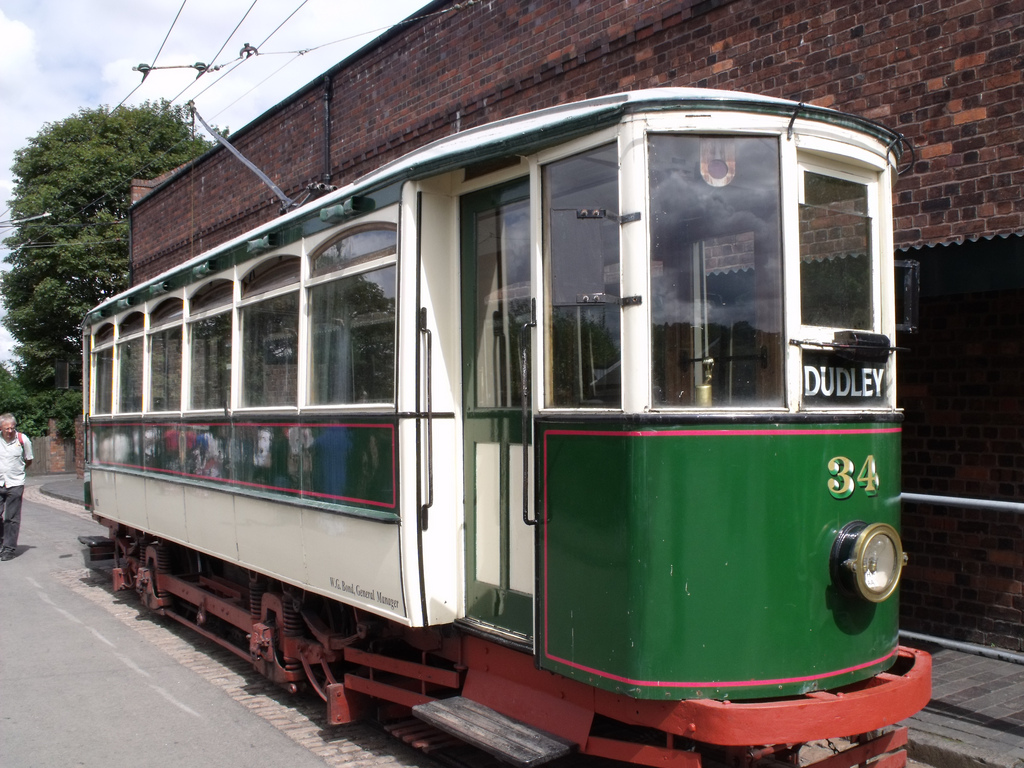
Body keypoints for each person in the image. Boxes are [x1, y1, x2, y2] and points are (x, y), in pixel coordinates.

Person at [0, 413, 33, 561]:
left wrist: (18, 471)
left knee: (12, 518)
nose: (9, 431)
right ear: (1, 428)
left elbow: (29, 459)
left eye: (12, 428)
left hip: (15, 483)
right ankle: (2, 539)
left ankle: (9, 549)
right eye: (6, 428)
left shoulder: (22, 439)